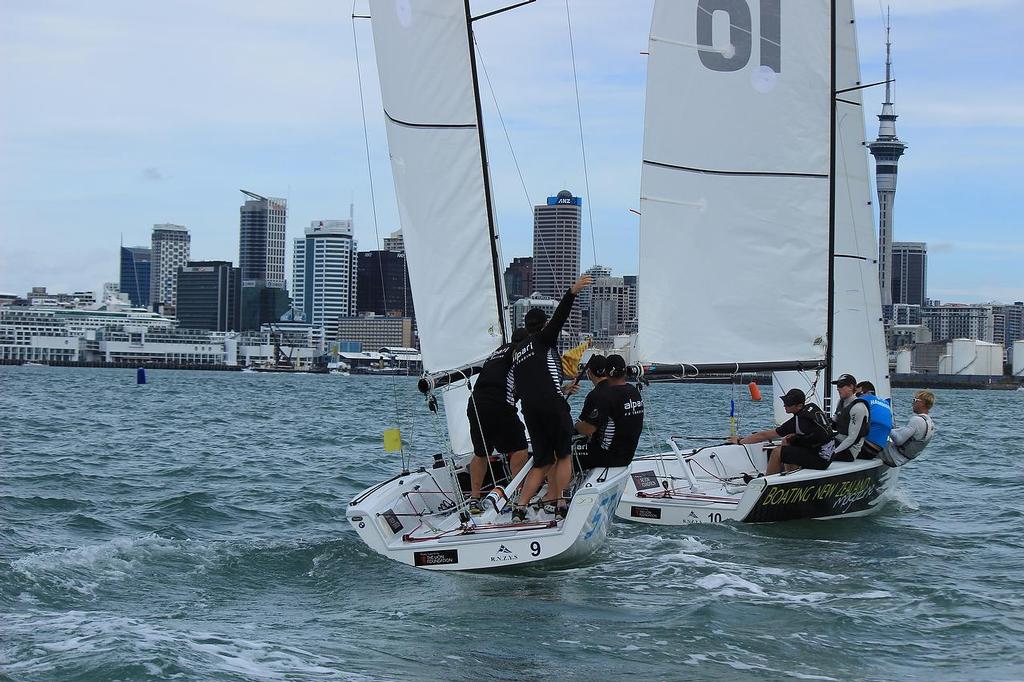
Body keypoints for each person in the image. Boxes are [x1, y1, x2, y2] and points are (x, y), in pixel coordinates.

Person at [509, 274, 592, 521]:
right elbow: (561, 316)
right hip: (551, 406)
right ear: (544, 326)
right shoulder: (543, 340)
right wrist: (572, 292)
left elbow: (532, 383)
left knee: (542, 462)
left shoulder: (518, 352)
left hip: (530, 411)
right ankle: (561, 502)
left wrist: (563, 389)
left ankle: (520, 506)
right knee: (564, 454)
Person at [465, 328, 529, 514]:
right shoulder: (519, 351)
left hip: (475, 404)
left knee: (481, 452)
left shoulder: (496, 353)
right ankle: (515, 494)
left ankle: (474, 498)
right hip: (499, 404)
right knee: (520, 447)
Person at [729, 388, 834, 475]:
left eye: (788, 404)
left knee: (777, 452)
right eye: (785, 402)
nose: (785, 406)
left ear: (799, 406)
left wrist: (739, 441)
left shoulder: (798, 421)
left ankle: (766, 483)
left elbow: (763, 435)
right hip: (827, 455)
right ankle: (792, 475)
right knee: (787, 440)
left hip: (821, 460)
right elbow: (815, 433)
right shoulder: (812, 408)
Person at [575, 354, 644, 469]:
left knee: (564, 451)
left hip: (606, 456)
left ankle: (560, 486)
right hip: (627, 456)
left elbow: (588, 429)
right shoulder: (634, 392)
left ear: (606, 373)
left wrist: (576, 425)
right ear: (625, 371)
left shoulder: (606, 396)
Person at [883, 390, 935, 467]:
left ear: (923, 403)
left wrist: (885, 426)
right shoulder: (930, 423)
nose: (912, 402)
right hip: (901, 459)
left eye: (915, 400)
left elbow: (899, 440)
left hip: (891, 456)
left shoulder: (917, 420)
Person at [830, 373, 869, 462]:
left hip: (850, 450)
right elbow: (834, 420)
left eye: (841, 385)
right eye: (837, 386)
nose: (838, 388)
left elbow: (852, 438)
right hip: (838, 439)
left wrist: (833, 453)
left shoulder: (858, 407)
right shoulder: (841, 402)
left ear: (851, 387)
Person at [854, 380, 893, 460]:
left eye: (858, 394)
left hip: (864, 448)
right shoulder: (885, 403)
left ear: (867, 393)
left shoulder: (865, 400)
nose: (856, 397)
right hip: (877, 450)